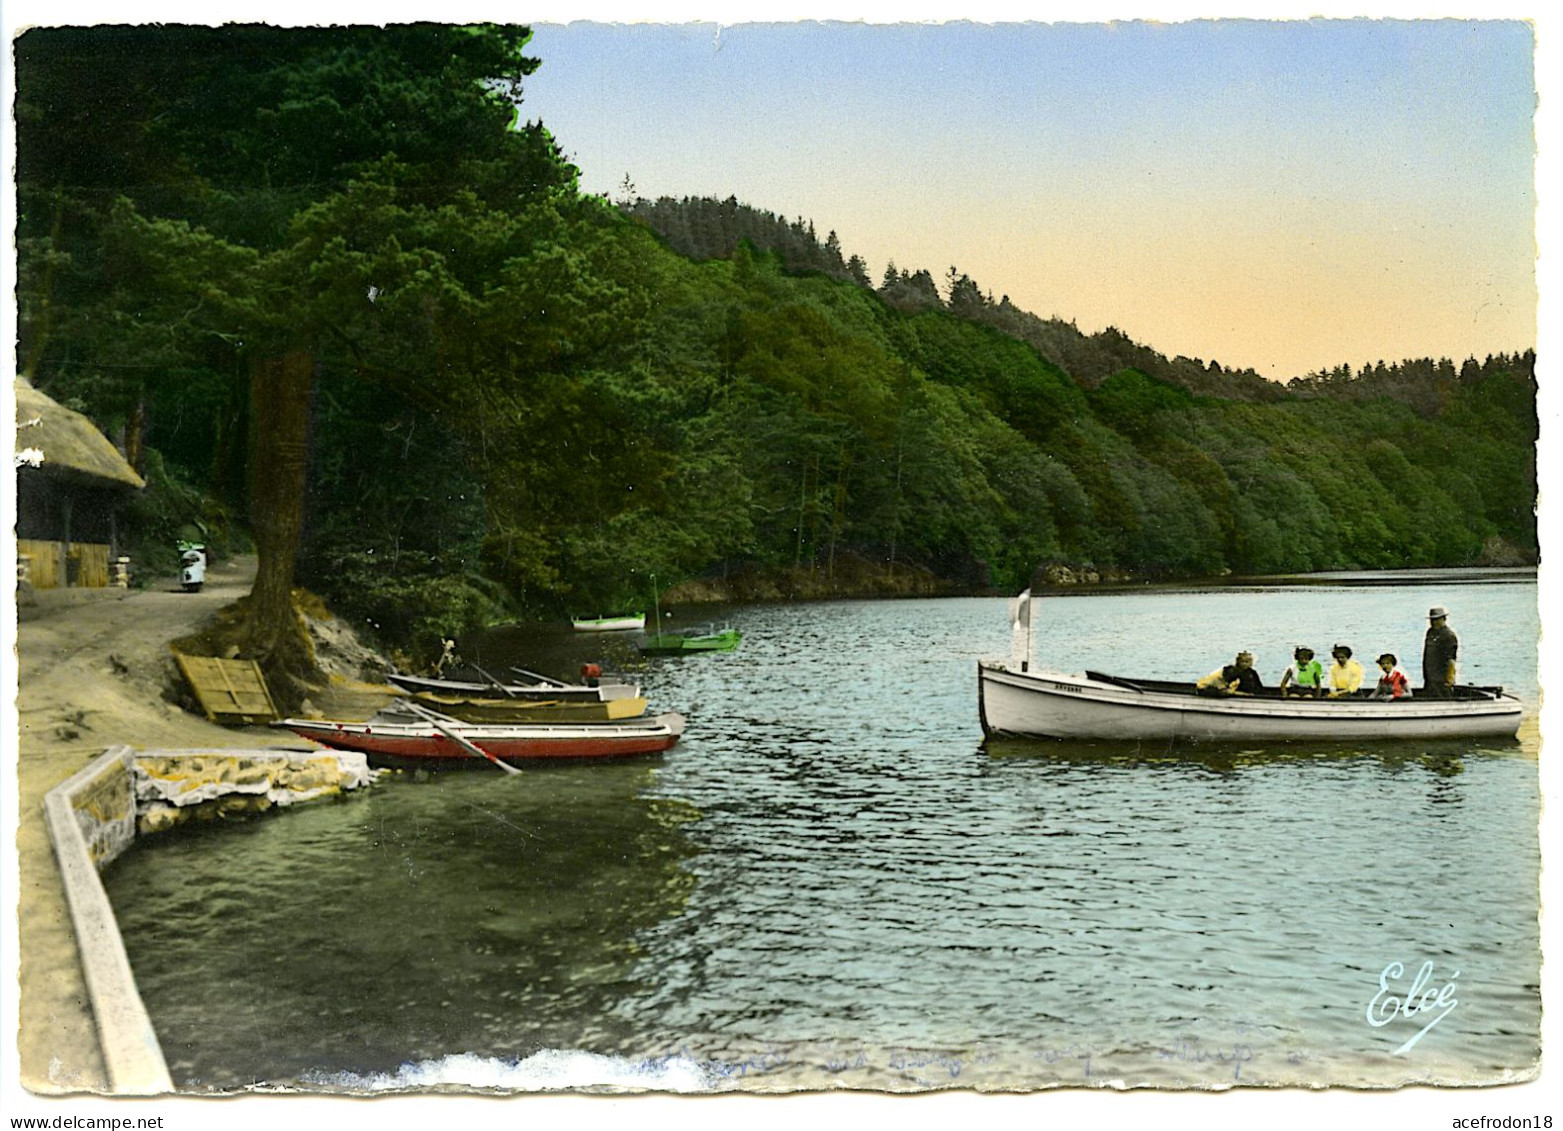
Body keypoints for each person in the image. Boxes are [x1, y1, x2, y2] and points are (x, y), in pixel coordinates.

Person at [1422, 605, 1459, 698]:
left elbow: (1451, 658)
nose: (1434, 622)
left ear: (1444, 619)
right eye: (1432, 620)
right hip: (1429, 677)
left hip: (1442, 678)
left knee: (1444, 698)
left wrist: (1450, 677)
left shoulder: (1449, 635)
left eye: (1437, 619)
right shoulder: (1430, 632)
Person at [1196, 651, 1264, 697]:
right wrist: (1244, 694)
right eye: (1242, 661)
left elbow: (1259, 687)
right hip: (1206, 689)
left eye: (1247, 662)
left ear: (1251, 663)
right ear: (1237, 662)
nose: (1244, 664)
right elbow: (1228, 691)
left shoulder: (1252, 672)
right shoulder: (1231, 672)